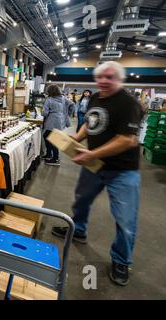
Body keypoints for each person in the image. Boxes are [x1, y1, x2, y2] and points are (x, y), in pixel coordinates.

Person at [51, 61, 142, 286]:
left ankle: (121, 260)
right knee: (81, 201)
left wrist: (92, 154)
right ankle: (78, 230)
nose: (104, 81)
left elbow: (127, 139)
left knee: (125, 219)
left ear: (119, 79)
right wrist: (75, 139)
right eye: (100, 77)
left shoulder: (128, 103)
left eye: (109, 77)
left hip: (122, 171)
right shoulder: (95, 97)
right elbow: (89, 124)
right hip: (95, 167)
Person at [41, 84, 72, 166]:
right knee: (50, 137)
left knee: (52, 139)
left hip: (52, 120)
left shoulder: (49, 99)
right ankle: (49, 155)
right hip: (60, 120)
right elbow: (72, 104)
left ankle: (55, 158)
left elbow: (44, 113)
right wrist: (67, 114)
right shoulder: (63, 98)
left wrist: (42, 110)